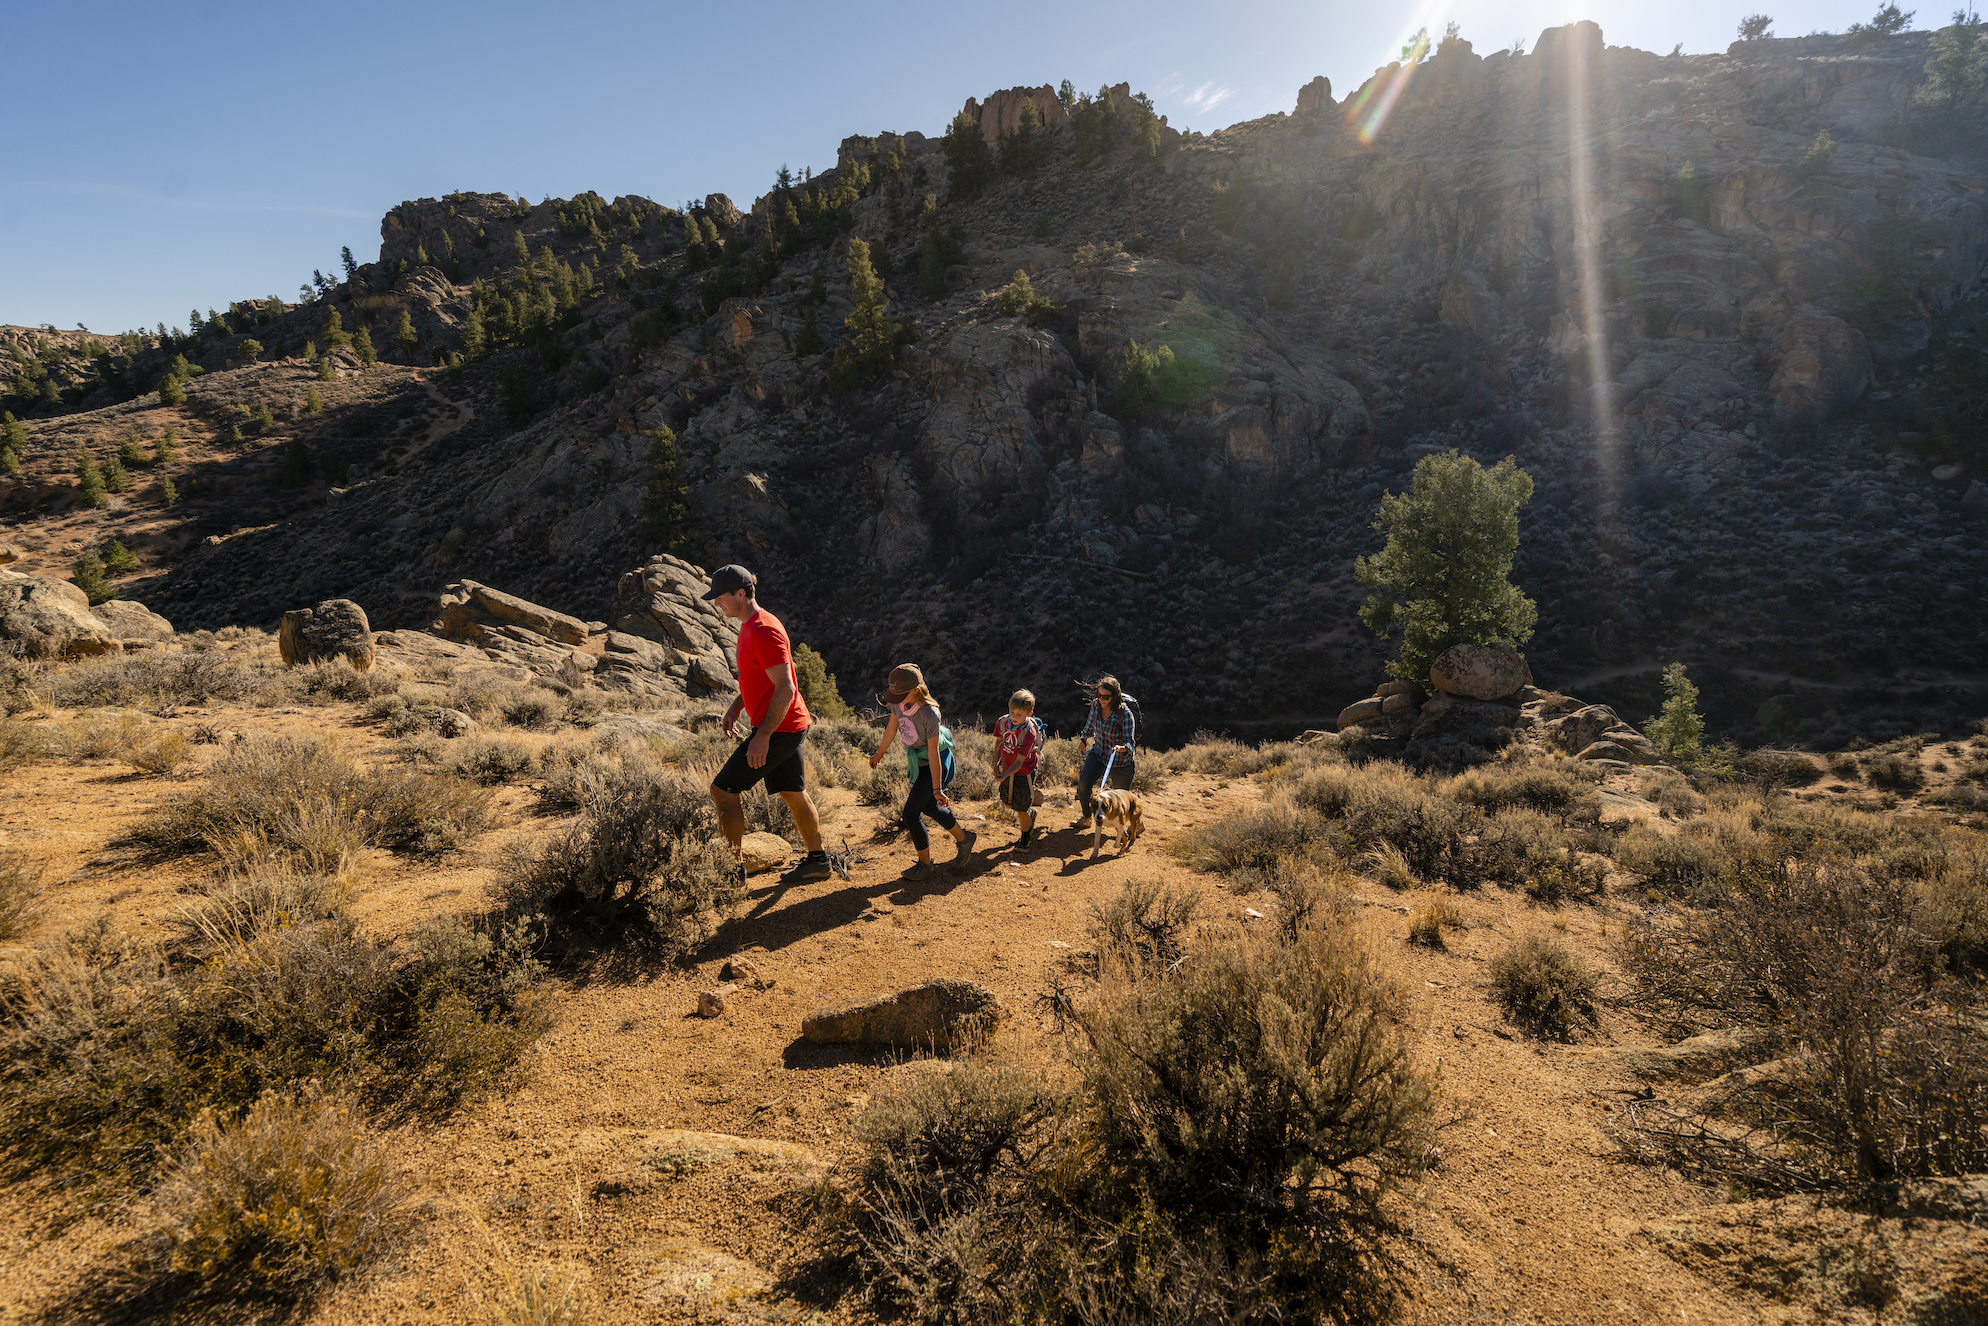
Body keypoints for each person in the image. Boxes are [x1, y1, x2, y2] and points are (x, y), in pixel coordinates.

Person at [703, 564, 833, 885]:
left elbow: (786, 687)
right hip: (785, 725)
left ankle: (732, 874)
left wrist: (762, 737)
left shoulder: (762, 629)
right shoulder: (749, 625)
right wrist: (736, 707)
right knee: (793, 793)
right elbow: (757, 678)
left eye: (721, 597)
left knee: (722, 791)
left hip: (779, 729)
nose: (717, 603)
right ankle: (818, 861)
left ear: (741, 593)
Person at [868, 664, 975, 878]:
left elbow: (935, 753)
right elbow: (892, 727)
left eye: (900, 694)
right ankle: (964, 838)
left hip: (936, 762)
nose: (896, 699)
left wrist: (937, 788)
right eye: (894, 694)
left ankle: (926, 865)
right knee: (929, 808)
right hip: (921, 762)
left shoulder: (929, 714)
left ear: (916, 690)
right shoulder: (900, 704)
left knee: (910, 813)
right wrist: (879, 754)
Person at [1076, 674, 1136, 819]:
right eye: (1099, 695)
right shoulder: (1096, 706)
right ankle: (1086, 817)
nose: (1101, 700)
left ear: (1115, 696)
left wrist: (1121, 748)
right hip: (1099, 754)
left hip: (1121, 761)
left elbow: (1130, 742)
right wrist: (1083, 740)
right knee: (1083, 785)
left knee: (1121, 800)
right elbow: (1089, 727)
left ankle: (1137, 824)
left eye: (1106, 697)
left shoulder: (1125, 714)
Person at [991, 688, 1043, 848]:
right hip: (1007, 769)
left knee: (1020, 809)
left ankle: (1025, 838)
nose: (1014, 717)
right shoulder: (1002, 722)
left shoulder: (1029, 733)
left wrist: (1005, 774)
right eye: (1012, 712)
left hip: (1024, 772)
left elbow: (1020, 762)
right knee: (1007, 802)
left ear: (1029, 714)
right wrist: (996, 764)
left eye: (1019, 714)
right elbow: (999, 743)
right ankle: (1030, 813)